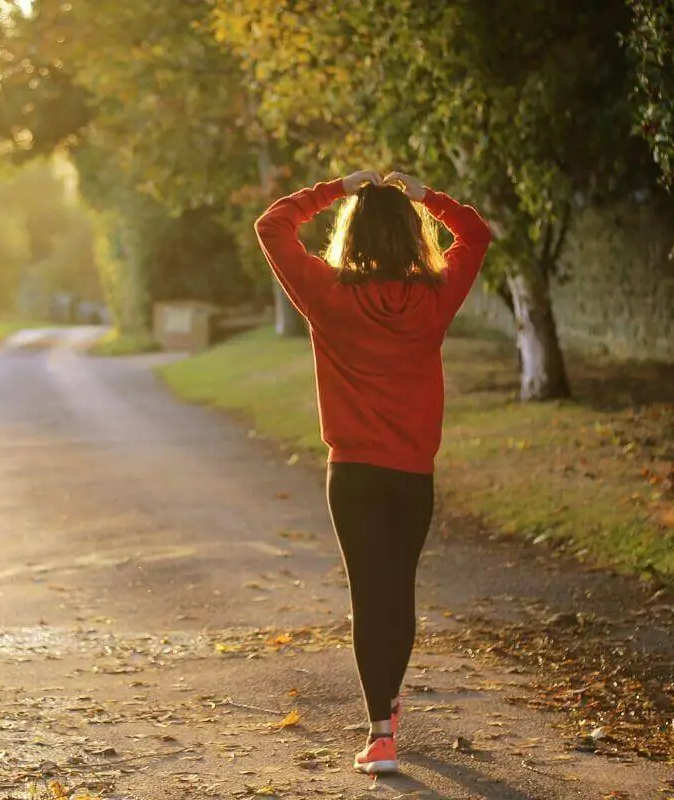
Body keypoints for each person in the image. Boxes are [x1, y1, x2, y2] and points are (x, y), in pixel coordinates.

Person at [254, 169, 493, 775]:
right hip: (412, 473)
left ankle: (381, 733)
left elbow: (272, 224)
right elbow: (476, 232)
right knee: (400, 590)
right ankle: (387, 709)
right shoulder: (435, 296)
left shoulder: (327, 293)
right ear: (414, 236)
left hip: (353, 474)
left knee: (369, 593)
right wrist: (425, 196)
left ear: (351, 234)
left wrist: (337, 187)